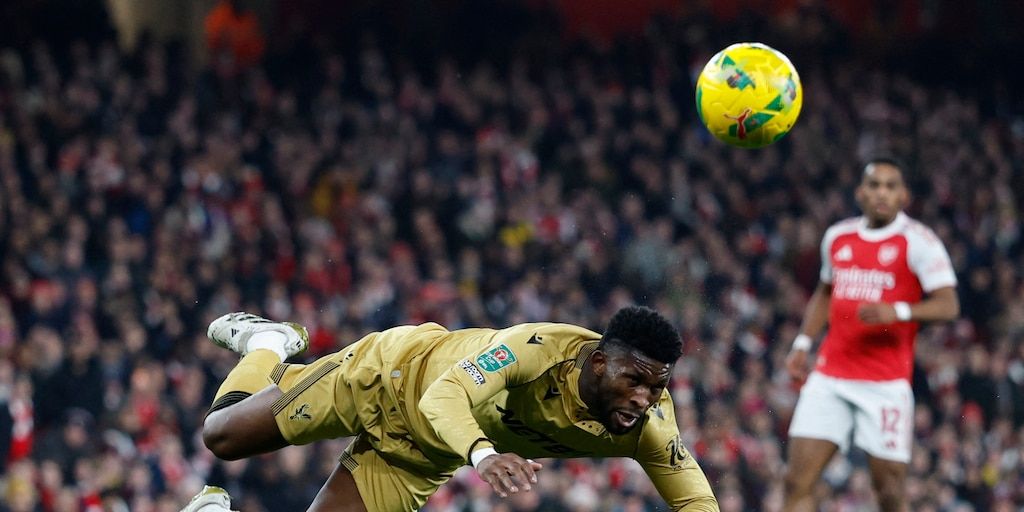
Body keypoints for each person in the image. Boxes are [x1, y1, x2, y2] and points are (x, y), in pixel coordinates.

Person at [181, 306, 719, 511]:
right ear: (599, 363)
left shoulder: (648, 426)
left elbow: (695, 498)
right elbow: (444, 395)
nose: (643, 398)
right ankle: (269, 343)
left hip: (421, 455)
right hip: (389, 376)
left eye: (657, 387)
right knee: (222, 437)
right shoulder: (535, 350)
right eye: (634, 380)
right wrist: (484, 456)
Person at [782, 157, 960, 512]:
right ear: (860, 193)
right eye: (874, 185)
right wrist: (803, 342)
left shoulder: (919, 241)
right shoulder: (838, 237)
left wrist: (900, 311)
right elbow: (825, 291)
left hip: (884, 384)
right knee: (797, 482)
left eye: (890, 186)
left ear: (904, 196)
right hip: (830, 377)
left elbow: (949, 305)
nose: (882, 193)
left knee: (889, 493)